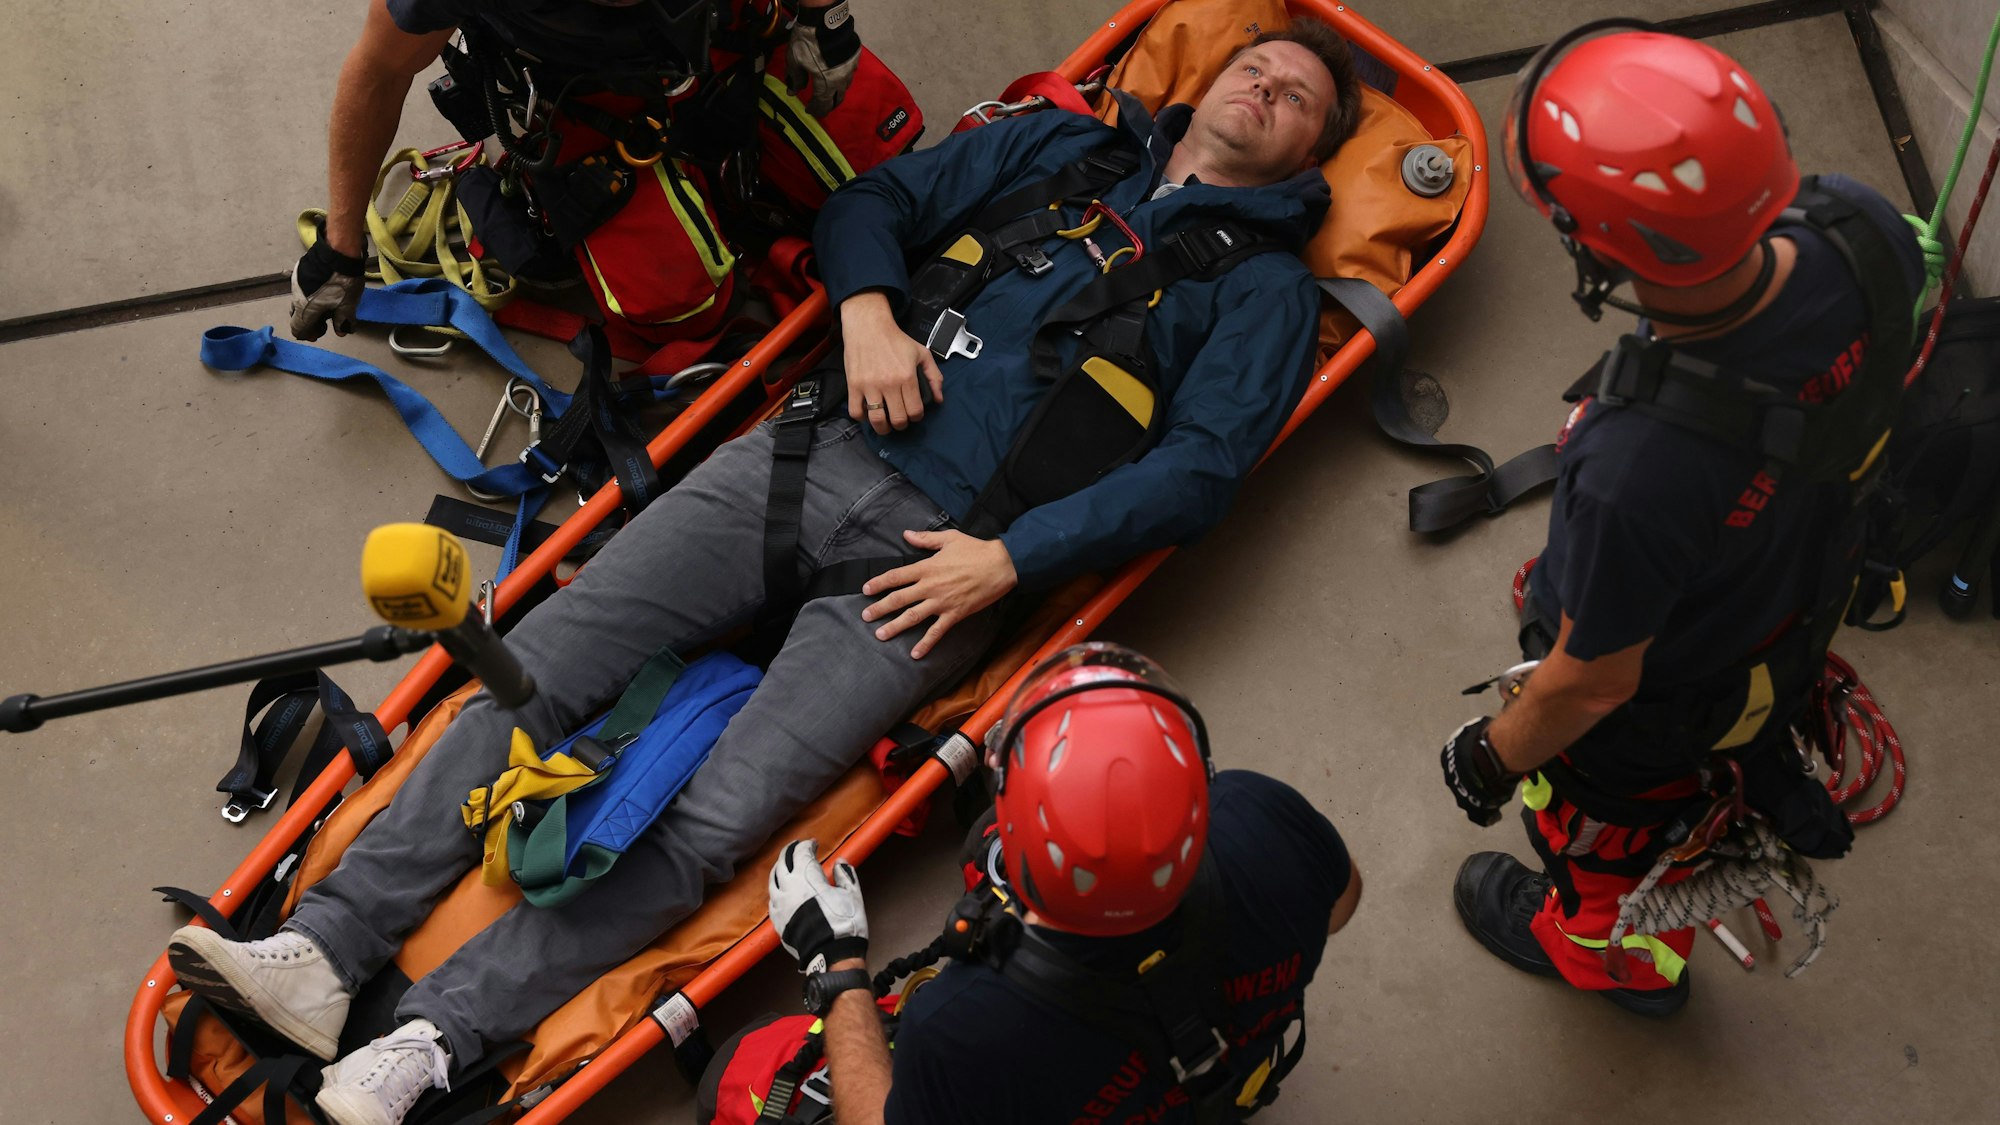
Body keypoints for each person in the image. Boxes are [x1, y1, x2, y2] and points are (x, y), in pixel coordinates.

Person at [167, 21, 1362, 1125]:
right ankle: (323, 952)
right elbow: (870, 205)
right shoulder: (1061, 148)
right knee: (532, 671)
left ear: (1315, 147)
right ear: (1200, 85)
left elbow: (1201, 473)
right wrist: (866, 315)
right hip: (806, 455)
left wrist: (1009, 561)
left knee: (717, 823)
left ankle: (431, 1042)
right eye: (1252, 64)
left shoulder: (1260, 291)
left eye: (1296, 93)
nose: (1262, 84)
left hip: (938, 572)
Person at [1438, 24, 1923, 1016]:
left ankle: (1610, 958)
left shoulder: (1633, 465)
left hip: (1664, 711)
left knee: (1607, 847)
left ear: (1592, 244)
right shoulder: (1863, 229)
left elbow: (1589, 684)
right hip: (1793, 602)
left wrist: (1488, 754)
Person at [765, 644, 1363, 1125]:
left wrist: (835, 961)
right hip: (1226, 1083)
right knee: (981, 848)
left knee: (738, 1078)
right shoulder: (1265, 818)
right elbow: (1342, 900)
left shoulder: (963, 1031)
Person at [290, 0, 864, 340]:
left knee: (874, 163)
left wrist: (825, 17)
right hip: (596, 96)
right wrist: (341, 247)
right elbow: (379, 70)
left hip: (716, 32)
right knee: (685, 306)